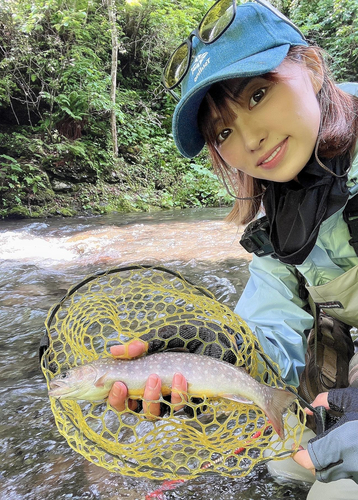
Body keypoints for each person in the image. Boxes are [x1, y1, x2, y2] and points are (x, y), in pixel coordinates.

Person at [108, 1, 358, 498]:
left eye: (259, 94)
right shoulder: (278, 219)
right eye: (223, 131)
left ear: (310, 67)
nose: (250, 138)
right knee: (288, 465)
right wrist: (214, 356)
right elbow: (272, 328)